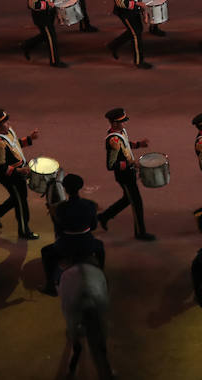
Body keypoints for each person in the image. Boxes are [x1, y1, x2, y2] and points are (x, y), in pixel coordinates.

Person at [40, 172, 105, 296]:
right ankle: (102, 275)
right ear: (80, 187)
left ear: (65, 188)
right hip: (87, 244)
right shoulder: (90, 205)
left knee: (45, 253)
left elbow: (58, 231)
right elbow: (94, 226)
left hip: (66, 246)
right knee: (100, 248)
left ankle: (50, 286)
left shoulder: (60, 208)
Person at [100, 108, 154, 241]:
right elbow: (111, 165)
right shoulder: (113, 140)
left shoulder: (120, 132)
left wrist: (138, 144)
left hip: (129, 173)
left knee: (127, 199)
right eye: (121, 121)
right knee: (136, 203)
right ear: (114, 123)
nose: (124, 124)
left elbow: (125, 146)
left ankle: (104, 216)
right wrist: (131, 164)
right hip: (124, 176)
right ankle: (140, 232)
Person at [0, 108, 39, 240]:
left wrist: (29, 138)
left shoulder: (9, 131)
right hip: (10, 177)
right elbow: (1, 168)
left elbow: (16, 145)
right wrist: (19, 171)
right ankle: (23, 230)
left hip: (18, 174)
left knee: (18, 198)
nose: (8, 123)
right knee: (21, 202)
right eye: (4, 122)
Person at [21, 0, 66, 67]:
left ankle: (26, 45)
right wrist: (47, 4)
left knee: (46, 35)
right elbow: (33, 4)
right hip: (40, 15)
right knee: (51, 37)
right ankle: (55, 61)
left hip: (48, 12)